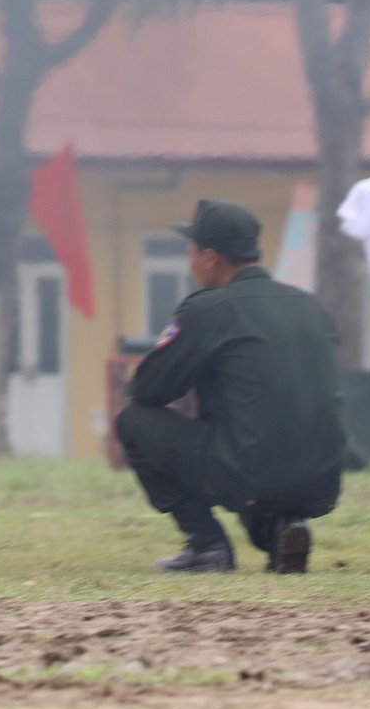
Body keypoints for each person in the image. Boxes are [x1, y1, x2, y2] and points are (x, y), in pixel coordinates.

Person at [115, 198, 348, 575]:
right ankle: (282, 533)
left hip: (251, 470)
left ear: (210, 257)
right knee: (247, 438)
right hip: (322, 477)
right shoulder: (310, 306)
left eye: (190, 251)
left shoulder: (208, 310)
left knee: (135, 421)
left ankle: (206, 545)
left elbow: (148, 391)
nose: (189, 262)